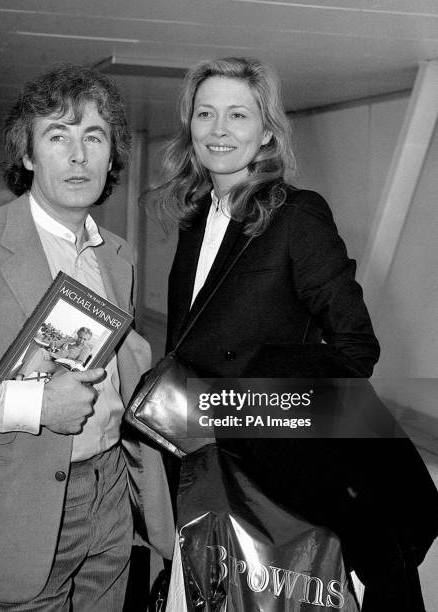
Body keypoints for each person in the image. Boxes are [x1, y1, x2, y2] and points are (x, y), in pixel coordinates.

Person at [149, 57, 437, 610]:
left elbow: (355, 349)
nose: (219, 129)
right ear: (189, 126)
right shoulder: (193, 221)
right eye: (205, 114)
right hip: (208, 466)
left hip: (280, 472)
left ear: (266, 133)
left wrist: (234, 406)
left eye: (238, 115)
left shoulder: (296, 215)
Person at [0, 63, 173, 610]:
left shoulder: (117, 254)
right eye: (57, 136)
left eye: (94, 137)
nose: (78, 155)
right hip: (20, 501)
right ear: (27, 154)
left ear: (112, 156)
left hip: (111, 494)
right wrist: (37, 404)